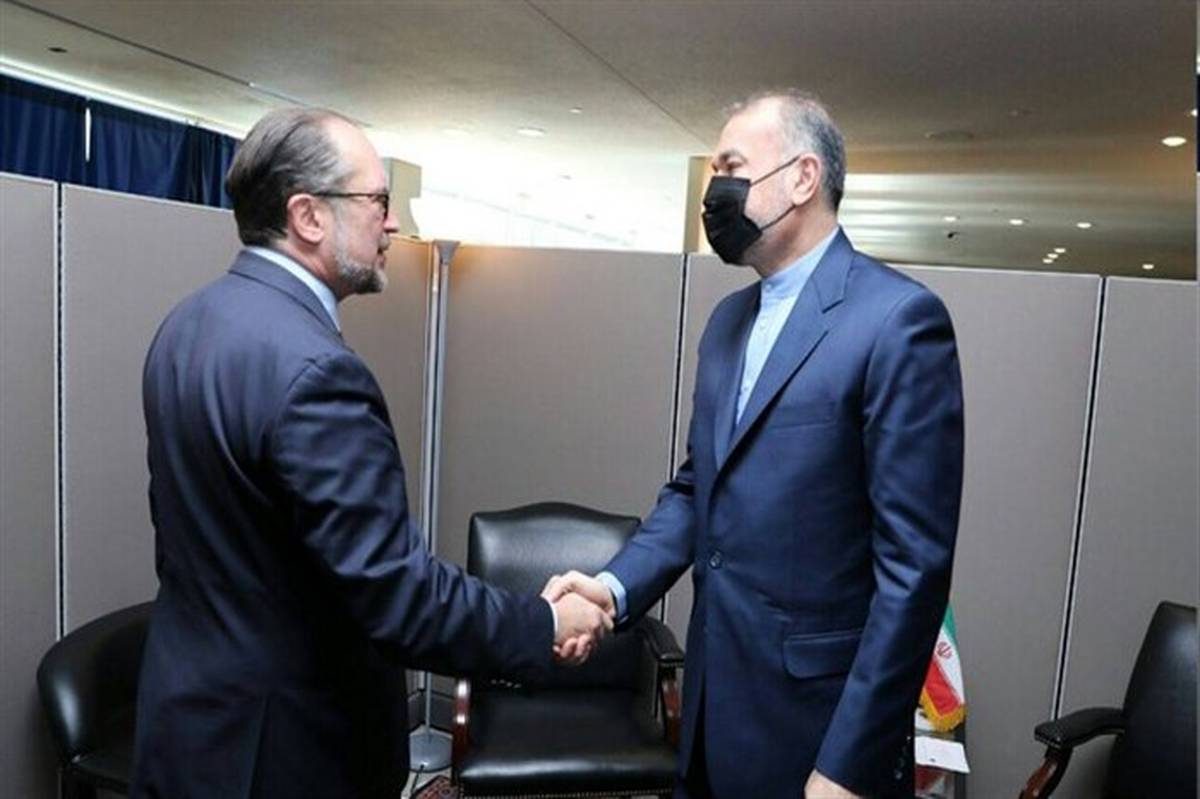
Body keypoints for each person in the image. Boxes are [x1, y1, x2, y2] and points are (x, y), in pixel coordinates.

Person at [132, 107, 611, 799]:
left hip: (190, 726)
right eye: (378, 200)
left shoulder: (185, 325)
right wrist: (544, 624)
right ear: (308, 216)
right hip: (286, 751)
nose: (393, 223)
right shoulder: (317, 373)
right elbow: (399, 597)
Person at [546, 90, 964, 798]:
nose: (716, 190)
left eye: (731, 167)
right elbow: (696, 490)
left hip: (817, 736)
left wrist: (849, 764)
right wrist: (613, 590)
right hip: (711, 713)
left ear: (803, 178)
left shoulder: (898, 321)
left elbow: (914, 572)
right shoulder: (726, 322)